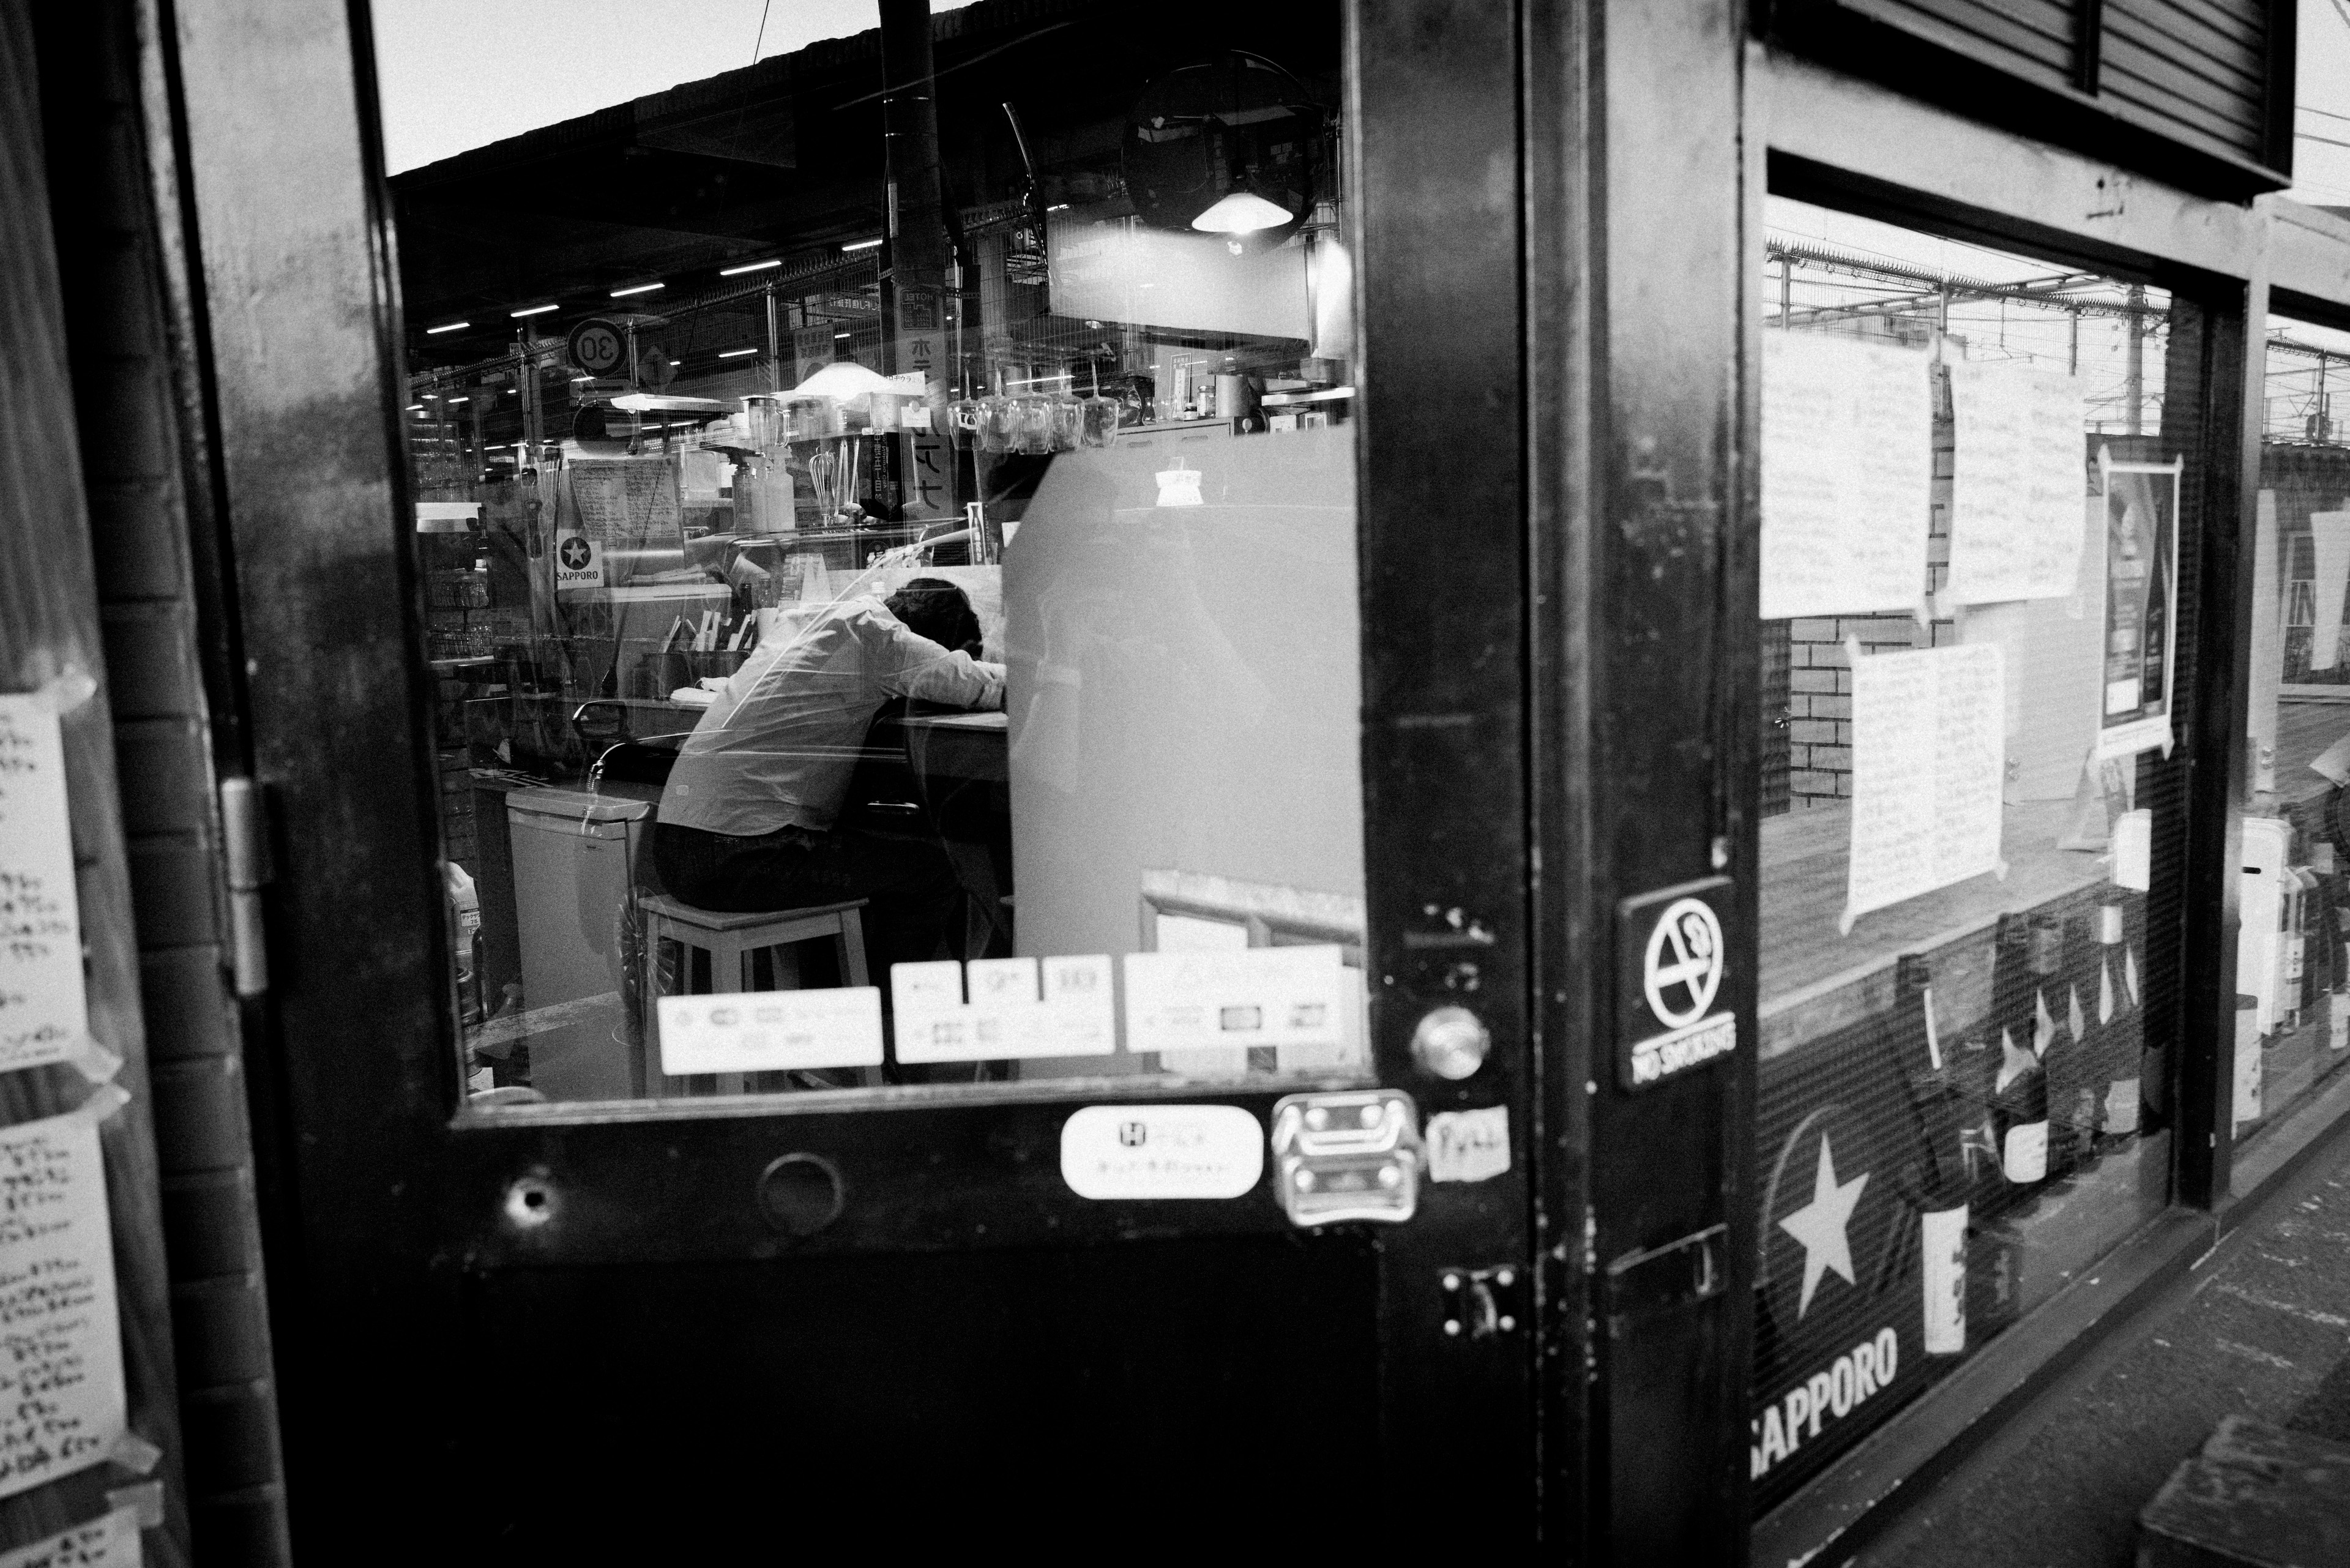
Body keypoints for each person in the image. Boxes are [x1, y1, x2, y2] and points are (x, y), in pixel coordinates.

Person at [654, 578, 1002, 986]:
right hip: (740, 856)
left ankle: (842, 994)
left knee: (855, 858)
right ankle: (886, 1018)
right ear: (931, 640)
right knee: (933, 870)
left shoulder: (807, 621)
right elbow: (972, 682)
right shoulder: (882, 639)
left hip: (677, 850)